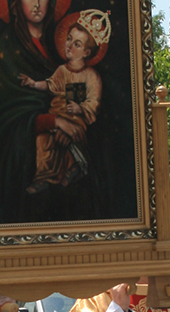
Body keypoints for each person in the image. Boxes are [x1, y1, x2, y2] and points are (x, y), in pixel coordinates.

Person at [19, 11, 108, 194]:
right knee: (43, 140)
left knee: (65, 141)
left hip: (77, 120)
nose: (69, 46)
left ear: (86, 52)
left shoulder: (91, 76)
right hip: (58, 115)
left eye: (77, 44)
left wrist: (81, 108)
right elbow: (50, 85)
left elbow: (94, 102)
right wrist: (33, 83)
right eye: (69, 39)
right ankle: (44, 177)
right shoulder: (61, 70)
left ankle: (73, 169)